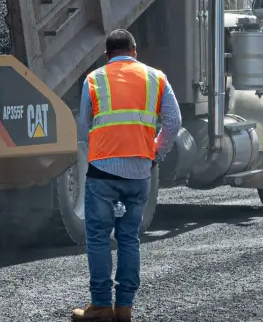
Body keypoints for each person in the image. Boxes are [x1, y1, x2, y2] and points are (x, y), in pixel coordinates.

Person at [71, 29, 181, 322]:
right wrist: (156, 152)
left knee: (97, 238)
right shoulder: (156, 78)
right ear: (134, 50)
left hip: (103, 171)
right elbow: (173, 121)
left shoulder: (94, 79)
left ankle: (101, 306)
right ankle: (125, 308)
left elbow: (83, 127)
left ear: (107, 55)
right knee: (129, 238)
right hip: (139, 173)